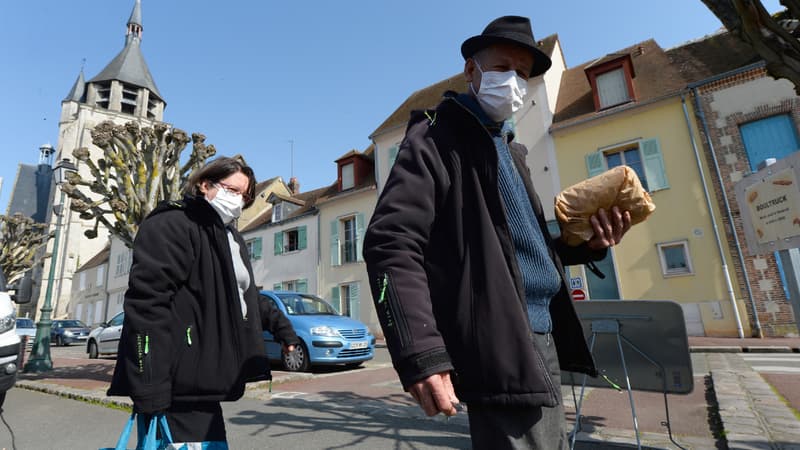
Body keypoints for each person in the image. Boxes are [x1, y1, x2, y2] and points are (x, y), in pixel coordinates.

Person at [363, 16, 632, 449]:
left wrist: (584, 246)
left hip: (542, 336)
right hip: (498, 338)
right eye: (502, 68)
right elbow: (390, 243)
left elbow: (517, 251)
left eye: (522, 74)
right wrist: (421, 354)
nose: (513, 82)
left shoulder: (510, 148)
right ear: (472, 70)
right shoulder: (434, 139)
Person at [108, 156, 299, 446]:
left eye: (244, 195)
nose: (238, 200)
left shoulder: (228, 236)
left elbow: (245, 294)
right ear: (204, 184)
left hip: (205, 383)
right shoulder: (173, 223)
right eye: (231, 190)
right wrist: (151, 385)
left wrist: (284, 331)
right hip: (177, 384)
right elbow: (148, 305)